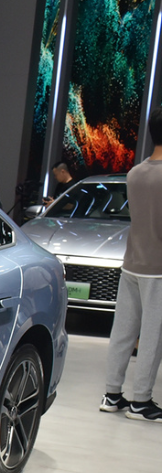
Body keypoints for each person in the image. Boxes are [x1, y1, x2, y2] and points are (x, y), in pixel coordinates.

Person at [101, 108, 162, 422]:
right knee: (153, 336)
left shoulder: (135, 173)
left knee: (122, 331)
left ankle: (112, 394)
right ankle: (141, 401)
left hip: (132, 262)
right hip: (158, 268)